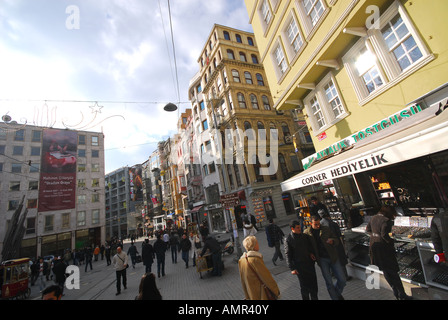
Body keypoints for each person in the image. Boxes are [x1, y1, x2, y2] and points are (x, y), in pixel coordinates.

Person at [366, 206, 412, 300]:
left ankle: (396, 292)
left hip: (375, 247)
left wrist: (374, 236)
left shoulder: (374, 217)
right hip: (384, 249)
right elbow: (384, 235)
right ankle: (402, 294)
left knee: (386, 271)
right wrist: (391, 241)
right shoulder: (386, 220)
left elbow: (368, 230)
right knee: (393, 271)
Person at [304, 215, 346, 300]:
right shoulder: (307, 233)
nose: (318, 226)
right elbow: (306, 246)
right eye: (316, 224)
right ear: (311, 223)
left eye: (319, 223)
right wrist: (310, 253)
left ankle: (337, 293)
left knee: (342, 280)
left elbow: (336, 239)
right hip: (322, 260)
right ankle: (335, 298)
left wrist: (332, 241)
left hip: (333, 256)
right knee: (329, 282)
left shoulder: (325, 229)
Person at [285, 220, 319, 300]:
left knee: (314, 286)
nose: (299, 229)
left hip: (309, 264)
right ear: (292, 228)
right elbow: (288, 255)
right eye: (297, 228)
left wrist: (311, 253)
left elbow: (309, 247)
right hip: (300, 266)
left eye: (299, 227)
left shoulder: (304, 236)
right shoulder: (289, 239)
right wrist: (292, 268)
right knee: (305, 288)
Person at [238, 235, 280, 300]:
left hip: (251, 293)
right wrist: (276, 291)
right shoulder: (255, 260)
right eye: (257, 243)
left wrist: (247, 295)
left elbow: (243, 281)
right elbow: (266, 277)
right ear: (253, 245)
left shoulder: (241, 261)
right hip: (261, 293)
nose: (258, 244)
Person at [320, 211, 351, 280]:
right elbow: (339, 235)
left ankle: (333, 274)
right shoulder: (333, 224)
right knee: (341, 260)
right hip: (336, 244)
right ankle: (345, 276)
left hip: (327, 246)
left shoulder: (320, 225)